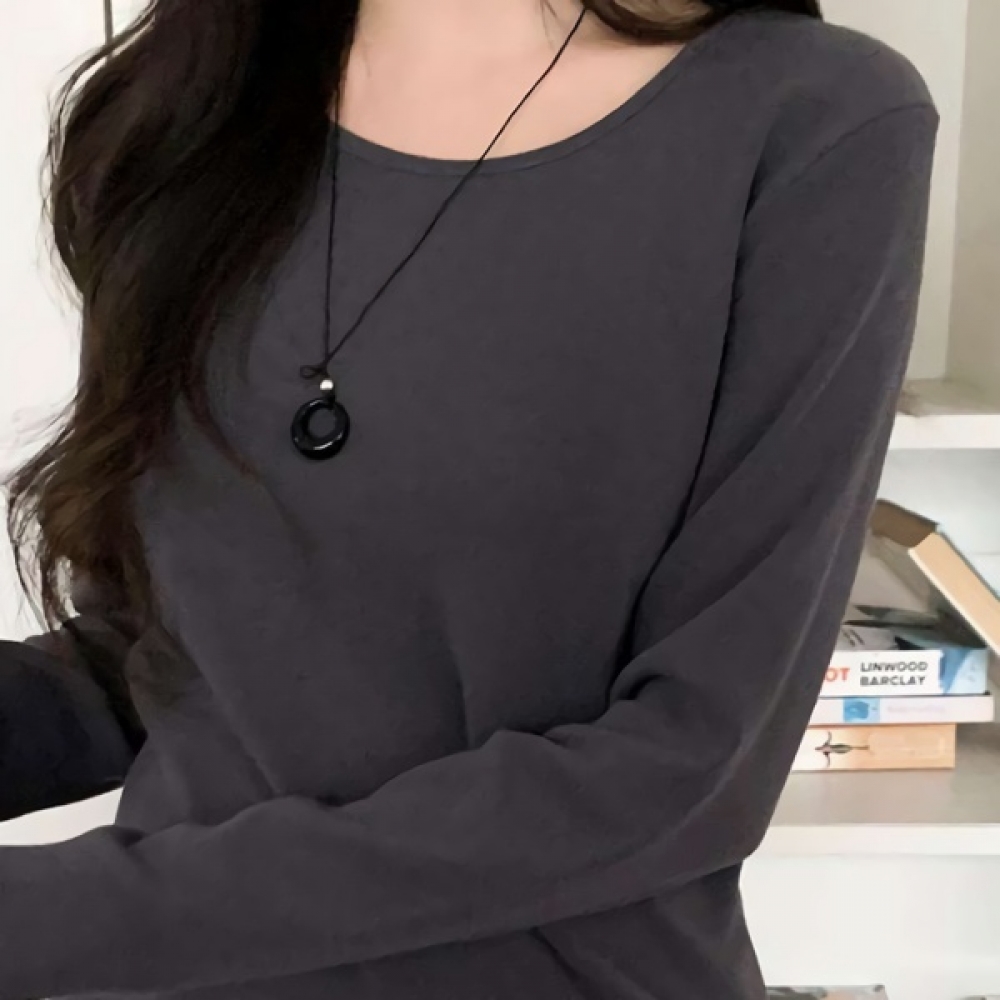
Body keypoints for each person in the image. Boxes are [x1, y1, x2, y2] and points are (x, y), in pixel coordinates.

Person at [0, 0, 937, 998]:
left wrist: (50, 919)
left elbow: (690, 763)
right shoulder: (173, 117)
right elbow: (166, 655)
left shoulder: (812, 120)